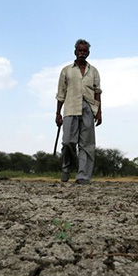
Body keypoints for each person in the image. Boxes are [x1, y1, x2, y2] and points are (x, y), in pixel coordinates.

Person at [55, 39, 102, 184]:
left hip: (88, 107)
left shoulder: (93, 71)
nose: (82, 53)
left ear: (88, 53)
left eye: (85, 51)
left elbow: (97, 92)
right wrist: (58, 113)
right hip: (70, 107)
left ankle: (83, 176)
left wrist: (99, 112)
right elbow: (61, 93)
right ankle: (66, 168)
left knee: (86, 145)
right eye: (79, 50)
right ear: (75, 51)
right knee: (68, 141)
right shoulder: (66, 70)